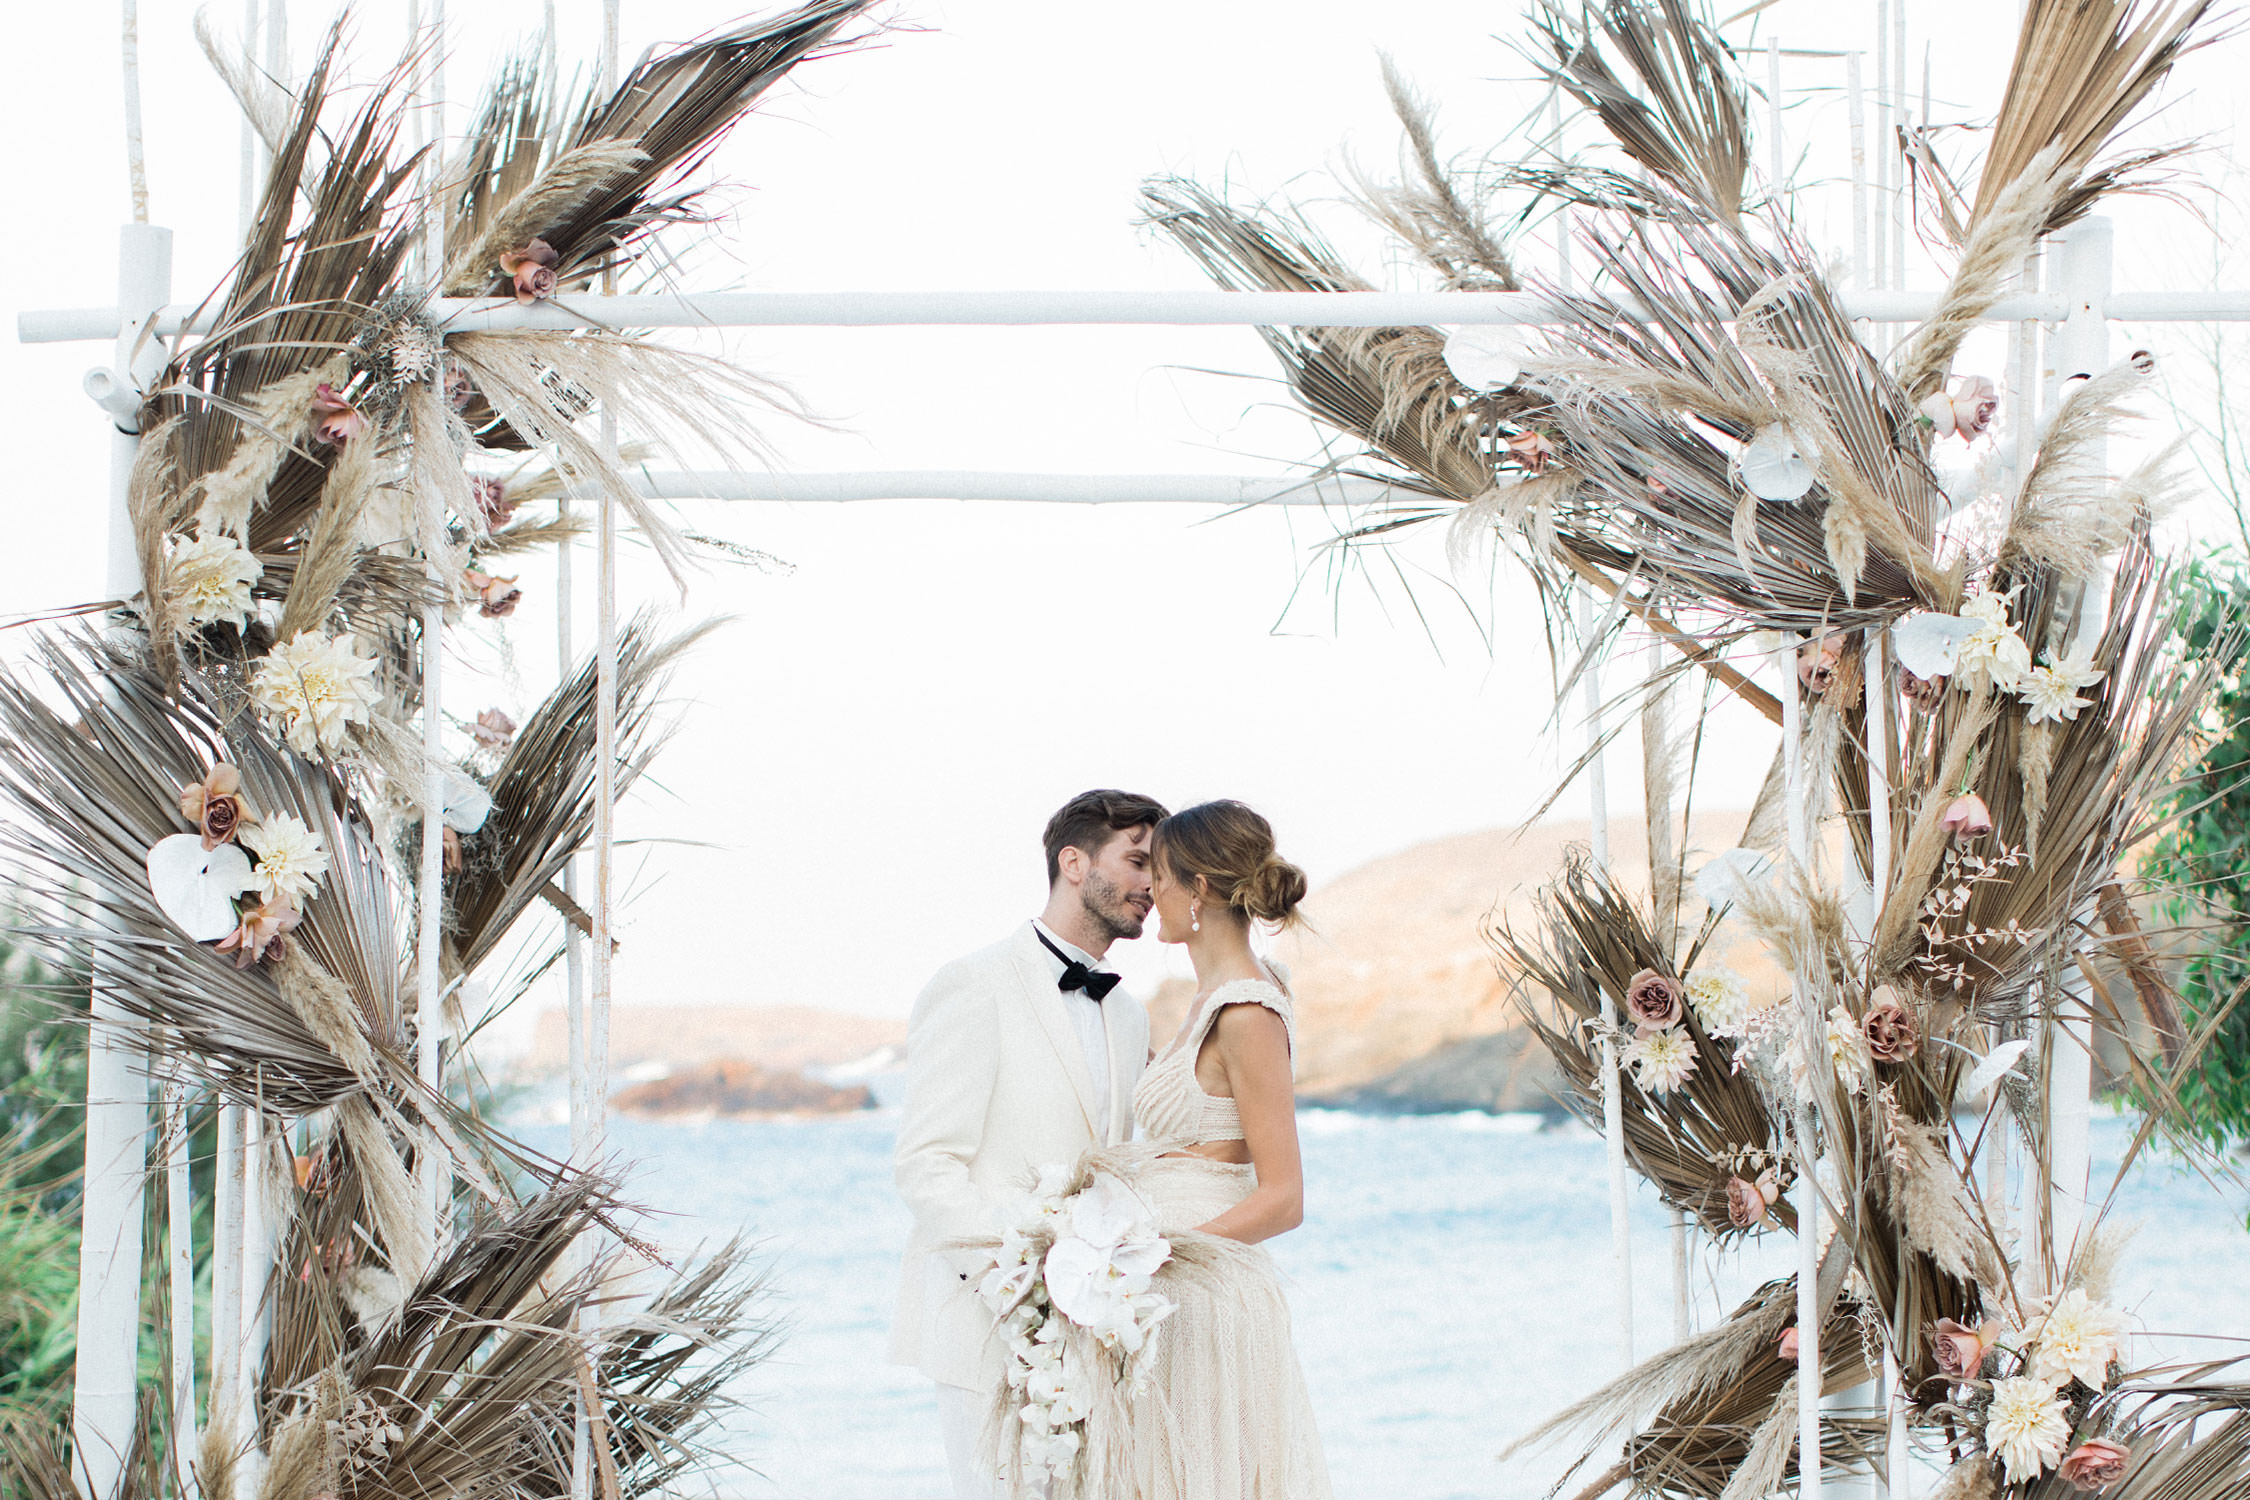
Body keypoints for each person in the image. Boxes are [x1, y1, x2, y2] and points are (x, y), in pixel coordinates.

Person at [892, 788, 1168, 1500]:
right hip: (988, 1329)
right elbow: (927, 1164)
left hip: (1093, 1336)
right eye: (1137, 861)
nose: (1151, 884)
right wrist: (1023, 1285)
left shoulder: (1130, 1016)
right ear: (1073, 863)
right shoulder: (973, 985)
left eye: (1157, 867)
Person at [1126, 798, 1331, 1500]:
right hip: (1173, 1287)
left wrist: (1151, 1258)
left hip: (1202, 1290)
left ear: (1199, 889)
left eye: (1157, 873)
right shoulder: (1211, 997)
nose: (1150, 890)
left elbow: (1283, 1199)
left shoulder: (1246, 1011)